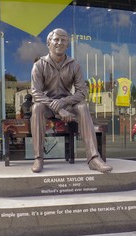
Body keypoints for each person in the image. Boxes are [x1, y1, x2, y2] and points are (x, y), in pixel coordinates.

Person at [30, 28, 113, 173]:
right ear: (49, 42)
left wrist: (64, 102)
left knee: (82, 107)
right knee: (37, 108)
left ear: (67, 44)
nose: (60, 43)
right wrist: (57, 108)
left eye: (64, 40)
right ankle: (38, 157)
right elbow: (36, 92)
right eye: (56, 39)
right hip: (48, 106)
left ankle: (93, 158)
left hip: (67, 105)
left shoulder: (75, 65)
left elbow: (82, 91)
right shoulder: (39, 65)